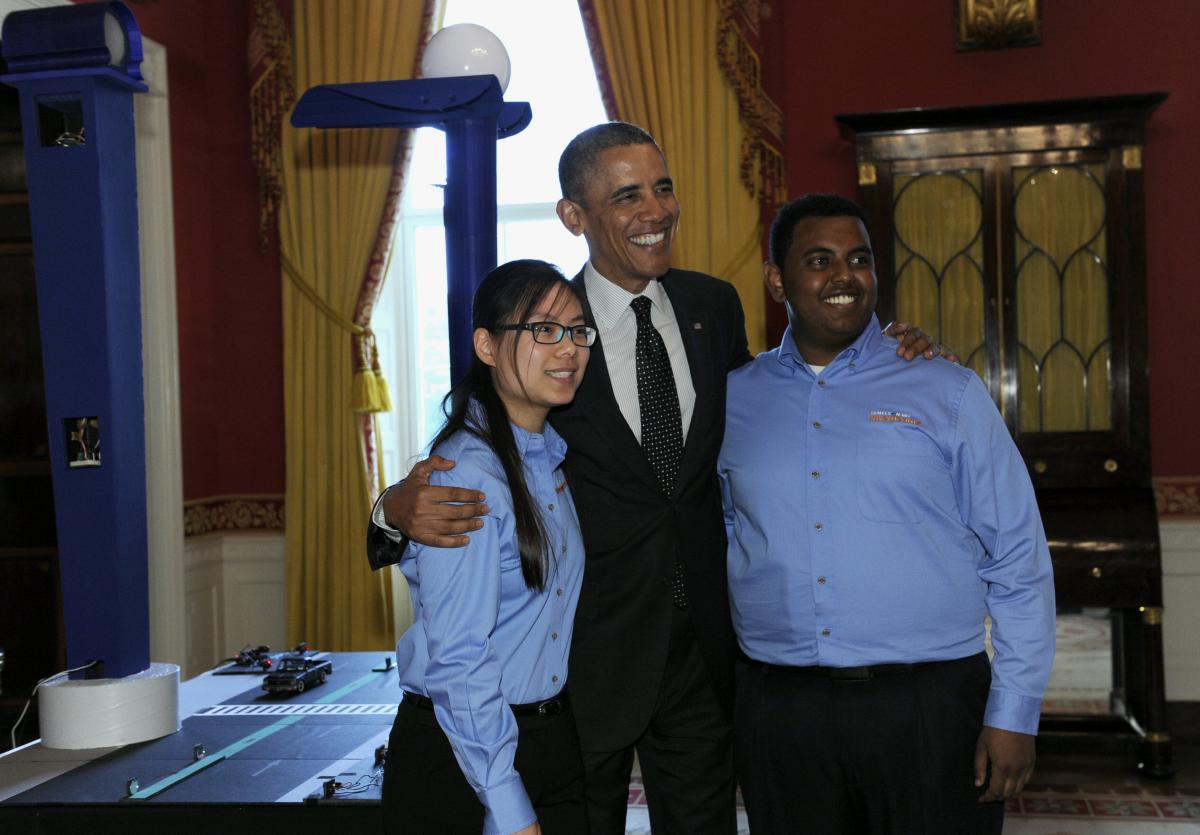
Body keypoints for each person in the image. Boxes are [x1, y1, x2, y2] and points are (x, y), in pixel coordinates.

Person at [369, 123, 942, 834]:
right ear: (573, 216)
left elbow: (778, 407)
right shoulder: (550, 335)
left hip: (704, 650)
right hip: (584, 664)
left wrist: (887, 347)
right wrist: (390, 509)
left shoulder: (714, 307)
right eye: (628, 194)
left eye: (664, 187)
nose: (657, 210)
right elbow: (486, 457)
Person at [718, 193, 1056, 834]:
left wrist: (1014, 712)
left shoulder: (945, 388)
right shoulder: (733, 401)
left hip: (928, 706)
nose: (844, 276)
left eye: (859, 259)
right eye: (818, 260)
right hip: (779, 710)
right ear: (776, 280)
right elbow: (725, 530)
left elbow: (1017, 557)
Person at [381, 259, 593, 834]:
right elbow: (459, 659)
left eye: (577, 330)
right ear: (487, 345)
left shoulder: (547, 457)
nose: (568, 348)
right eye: (543, 330)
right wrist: (506, 800)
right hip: (465, 758)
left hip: (547, 739)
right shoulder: (465, 474)